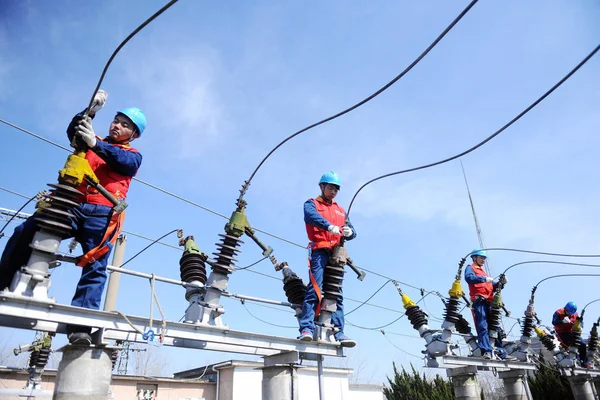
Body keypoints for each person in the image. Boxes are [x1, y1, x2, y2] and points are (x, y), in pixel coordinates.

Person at [0, 90, 145, 345]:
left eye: (125, 125)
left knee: (95, 268)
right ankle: (3, 284)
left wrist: (95, 145)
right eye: (116, 120)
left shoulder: (132, 155)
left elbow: (122, 161)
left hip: (101, 214)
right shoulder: (91, 139)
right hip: (71, 204)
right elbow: (75, 132)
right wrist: (90, 111)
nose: (117, 126)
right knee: (24, 232)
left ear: (133, 134)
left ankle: (80, 328)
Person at [298, 171, 357, 347]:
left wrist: (350, 232)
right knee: (315, 290)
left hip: (336, 255)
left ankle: (339, 332)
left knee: (336, 293)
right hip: (320, 251)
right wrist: (329, 226)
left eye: (336, 189)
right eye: (330, 188)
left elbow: (353, 230)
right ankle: (306, 328)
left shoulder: (340, 210)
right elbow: (311, 217)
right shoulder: (312, 204)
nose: (333, 192)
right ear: (322, 187)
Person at [464, 249, 509, 360]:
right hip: (480, 302)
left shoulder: (483, 272)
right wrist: (484, 279)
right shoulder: (471, 267)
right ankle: (486, 351)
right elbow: (468, 278)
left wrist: (500, 283)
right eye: (481, 258)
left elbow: (492, 286)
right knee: (483, 326)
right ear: (474, 258)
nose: (483, 260)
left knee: (495, 327)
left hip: (489, 303)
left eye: (484, 258)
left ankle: (500, 352)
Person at [552, 301, 588, 366]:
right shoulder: (558, 313)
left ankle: (584, 362)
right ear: (565, 309)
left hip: (571, 332)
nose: (570, 314)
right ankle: (575, 363)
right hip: (561, 333)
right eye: (569, 312)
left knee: (583, 344)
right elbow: (554, 322)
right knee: (570, 348)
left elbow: (580, 321)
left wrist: (581, 326)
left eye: (571, 313)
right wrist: (562, 321)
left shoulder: (575, 314)